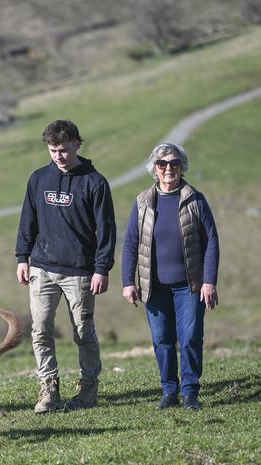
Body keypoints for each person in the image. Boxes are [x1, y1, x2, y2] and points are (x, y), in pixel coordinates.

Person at [15, 119, 116, 413]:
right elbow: (27, 221)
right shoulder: (38, 179)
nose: (58, 156)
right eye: (52, 150)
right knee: (40, 330)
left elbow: (106, 230)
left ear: (77, 145)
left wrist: (102, 268)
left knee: (83, 332)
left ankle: (88, 389)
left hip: (81, 271)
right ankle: (49, 389)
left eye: (63, 150)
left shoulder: (95, 182)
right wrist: (23, 258)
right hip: (42, 268)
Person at [122, 143, 219, 411]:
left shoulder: (195, 199)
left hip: (190, 286)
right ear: (154, 169)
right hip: (153, 287)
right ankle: (169, 391)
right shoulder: (142, 201)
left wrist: (209, 281)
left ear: (181, 167)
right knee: (162, 340)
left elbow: (211, 241)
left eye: (174, 164)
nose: (168, 169)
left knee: (189, 337)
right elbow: (131, 243)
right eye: (162, 164)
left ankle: (190, 393)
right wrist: (128, 282)